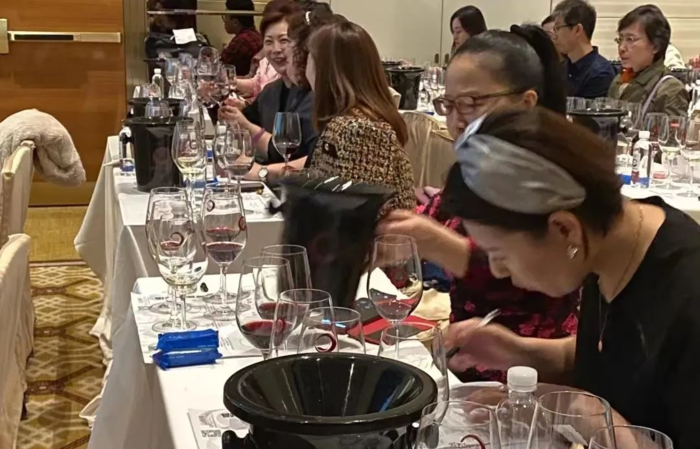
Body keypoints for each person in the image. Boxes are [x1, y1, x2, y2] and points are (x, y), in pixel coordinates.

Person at [436, 106, 700, 449]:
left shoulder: (688, 298)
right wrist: (520, 352)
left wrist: (591, 416)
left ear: (564, 229)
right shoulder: (606, 246)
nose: (497, 270)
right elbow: (616, 356)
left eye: (500, 254)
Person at [379, 26, 578, 382]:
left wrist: (436, 243)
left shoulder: (551, 178)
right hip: (465, 364)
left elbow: (532, 277)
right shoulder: (472, 169)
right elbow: (429, 222)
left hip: (535, 381)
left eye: (472, 104)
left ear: (526, 103)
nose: (457, 120)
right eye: (449, 104)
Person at [303, 16, 416, 212]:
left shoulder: (358, 130)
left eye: (309, 58)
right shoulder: (347, 122)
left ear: (325, 69)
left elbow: (357, 216)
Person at [219, 2, 316, 182]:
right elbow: (244, 120)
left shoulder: (313, 94)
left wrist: (262, 172)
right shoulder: (272, 90)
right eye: (269, 42)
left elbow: (313, 160)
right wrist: (221, 103)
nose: (276, 49)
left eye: (284, 40)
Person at [608, 5, 689, 117]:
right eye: (620, 39)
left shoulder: (670, 89)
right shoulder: (619, 80)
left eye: (630, 39)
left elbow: (674, 128)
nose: (622, 47)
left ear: (655, 46)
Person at [551, 0, 615, 99]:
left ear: (577, 30)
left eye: (557, 28)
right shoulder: (562, 67)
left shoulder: (600, 73)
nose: (554, 36)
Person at [221, 0, 262, 76]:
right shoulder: (256, 35)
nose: (224, 21)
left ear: (235, 22)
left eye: (225, 16)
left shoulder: (241, 41)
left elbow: (220, 68)